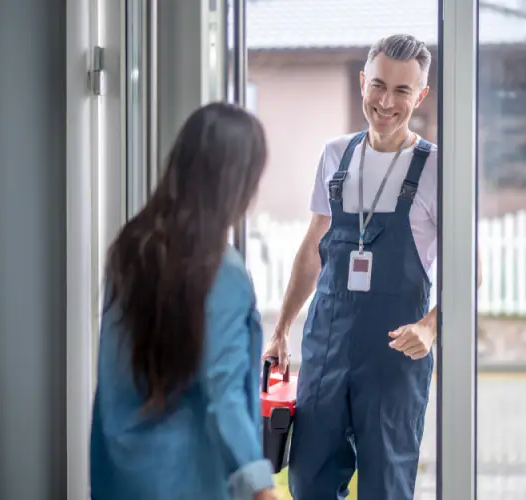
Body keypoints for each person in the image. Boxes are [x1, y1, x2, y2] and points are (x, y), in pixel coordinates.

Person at [262, 34, 482, 499]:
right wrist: (282, 329)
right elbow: (312, 247)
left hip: (395, 355)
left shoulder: (438, 169)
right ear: (363, 83)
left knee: (386, 486)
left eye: (402, 90)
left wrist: (430, 327)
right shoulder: (335, 155)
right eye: (378, 85)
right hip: (325, 347)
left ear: (420, 96)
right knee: (309, 482)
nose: (386, 101)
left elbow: (471, 269)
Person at [90, 102, 277, 500]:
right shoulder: (220, 269)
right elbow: (223, 391)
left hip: (122, 477)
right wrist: (261, 486)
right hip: (191, 481)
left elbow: (111, 380)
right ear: (235, 183)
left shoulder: (131, 247)